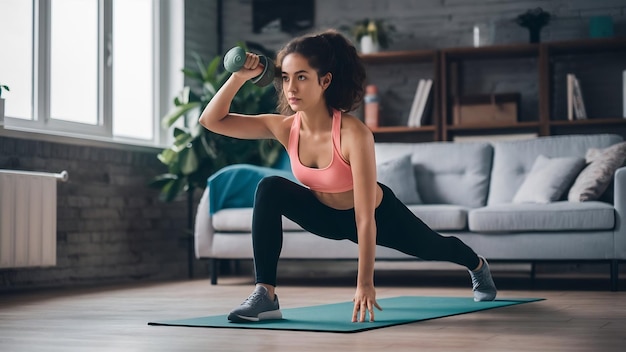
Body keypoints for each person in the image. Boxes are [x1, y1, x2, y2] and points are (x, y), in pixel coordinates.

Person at [198, 29, 497, 323]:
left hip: (379, 216)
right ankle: (265, 294)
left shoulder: (354, 134)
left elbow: (365, 218)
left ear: (325, 80)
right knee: (269, 187)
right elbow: (212, 121)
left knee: (434, 247)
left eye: (301, 77)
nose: (291, 88)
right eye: (286, 78)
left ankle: (477, 264)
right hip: (322, 214)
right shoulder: (283, 127)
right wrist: (239, 77)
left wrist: (364, 283)